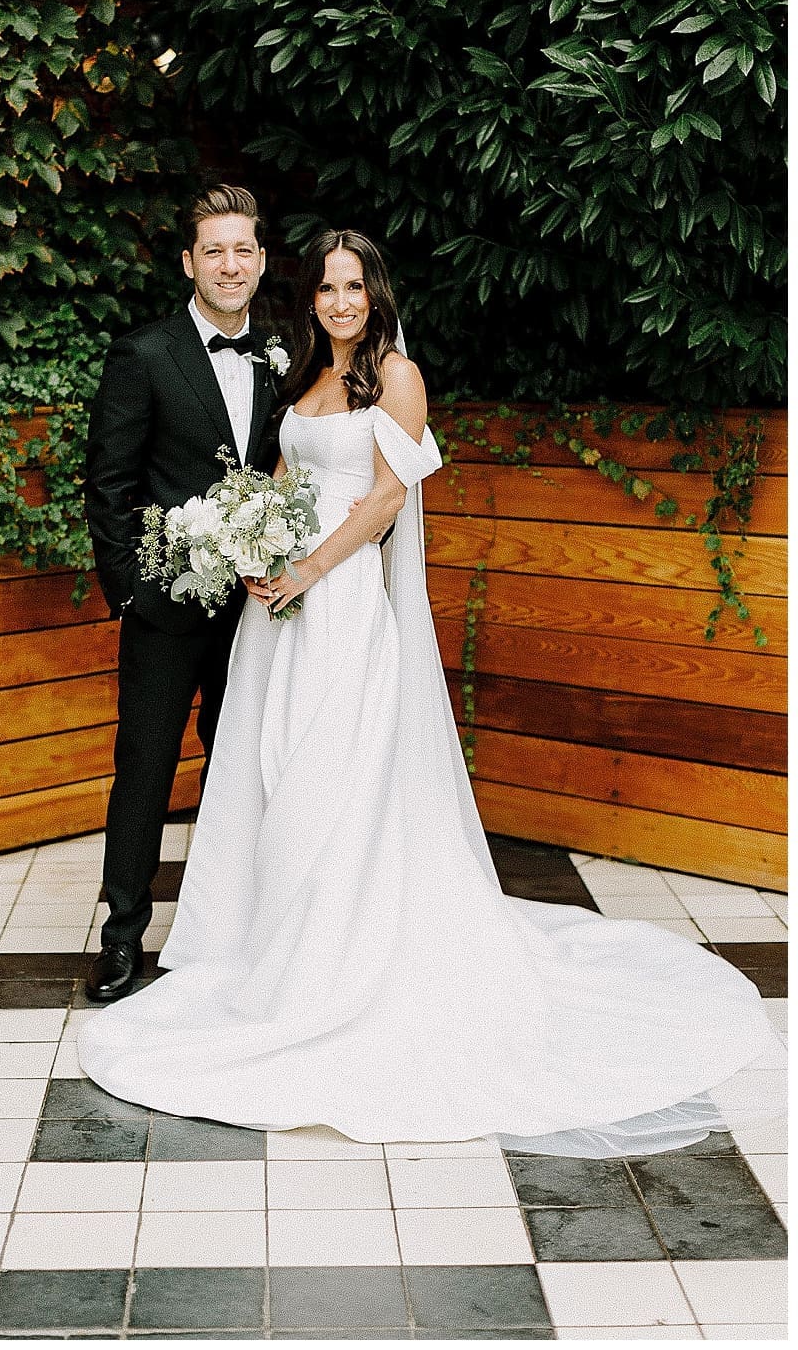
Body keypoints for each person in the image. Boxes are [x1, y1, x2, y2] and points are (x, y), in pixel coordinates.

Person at [76, 228, 778, 1157]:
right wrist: (254, 544)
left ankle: (333, 959)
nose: (338, 301)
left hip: (339, 603)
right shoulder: (302, 379)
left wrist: (307, 571)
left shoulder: (396, 378)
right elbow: (283, 476)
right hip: (278, 606)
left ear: (376, 294)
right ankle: (263, 941)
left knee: (335, 776)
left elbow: (381, 503)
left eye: (352, 286)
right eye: (325, 286)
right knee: (271, 768)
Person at [81, 184, 286, 1004]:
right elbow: (109, 483)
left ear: (261, 260)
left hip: (260, 613)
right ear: (188, 262)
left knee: (246, 768)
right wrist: (130, 591)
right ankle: (123, 937)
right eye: (214, 251)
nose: (230, 264)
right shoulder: (145, 353)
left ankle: (233, 928)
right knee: (145, 767)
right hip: (166, 610)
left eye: (243, 249)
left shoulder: (283, 351)